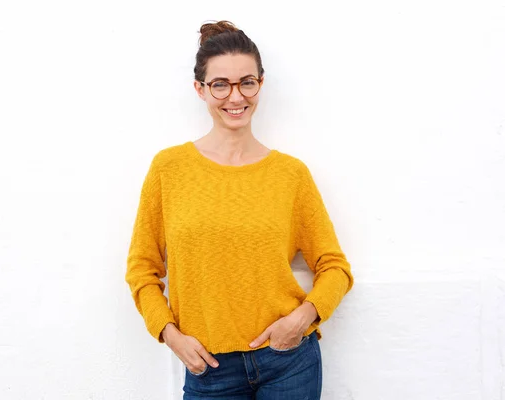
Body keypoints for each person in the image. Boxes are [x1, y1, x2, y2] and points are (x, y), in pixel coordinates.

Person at [126, 20, 354, 400]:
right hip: (208, 369)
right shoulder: (169, 169)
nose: (235, 97)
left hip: (289, 362)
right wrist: (169, 334)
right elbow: (142, 269)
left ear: (260, 85)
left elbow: (335, 268)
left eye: (247, 82)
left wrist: (301, 320)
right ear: (199, 89)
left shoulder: (290, 175)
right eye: (220, 84)